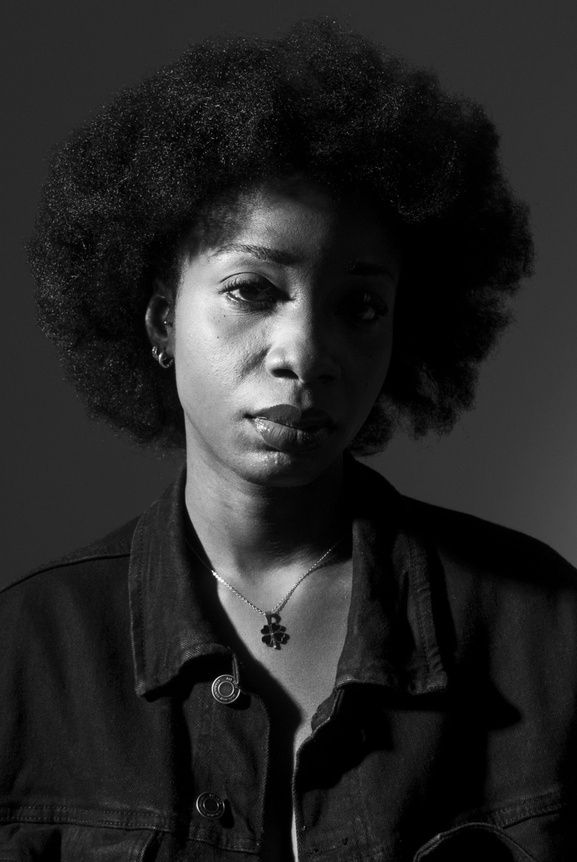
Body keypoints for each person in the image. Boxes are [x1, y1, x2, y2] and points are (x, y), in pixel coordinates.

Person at [1, 18, 575, 862]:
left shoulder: (541, 630)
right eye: (252, 290)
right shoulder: (27, 653)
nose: (304, 353)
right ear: (161, 320)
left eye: (359, 307)